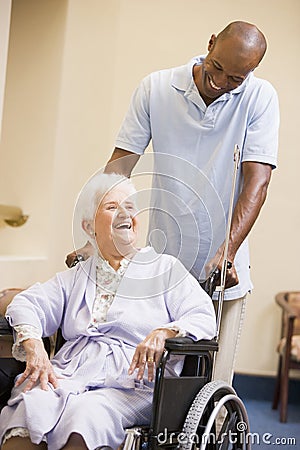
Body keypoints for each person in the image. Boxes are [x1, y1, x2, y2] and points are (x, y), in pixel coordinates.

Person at [66, 20, 280, 388]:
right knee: (156, 385)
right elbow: (120, 166)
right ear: (210, 43)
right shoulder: (156, 88)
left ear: (251, 73)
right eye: (216, 68)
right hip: (164, 263)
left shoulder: (260, 98)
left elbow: (256, 184)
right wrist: (96, 239)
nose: (220, 82)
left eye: (234, 79)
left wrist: (226, 251)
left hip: (223, 267)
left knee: (213, 382)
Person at [0, 173, 216, 450]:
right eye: (112, 206)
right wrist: (34, 347)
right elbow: (27, 303)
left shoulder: (164, 269)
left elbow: (202, 315)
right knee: (33, 404)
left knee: (86, 414)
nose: (125, 213)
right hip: (70, 375)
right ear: (89, 226)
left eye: (130, 206)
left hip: (133, 383)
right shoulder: (78, 276)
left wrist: (164, 332)